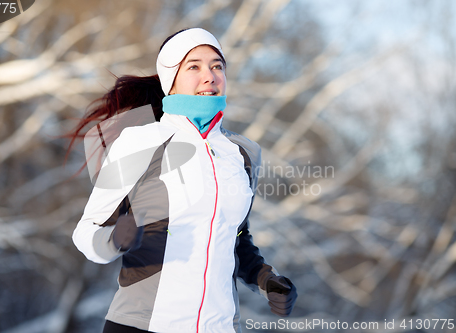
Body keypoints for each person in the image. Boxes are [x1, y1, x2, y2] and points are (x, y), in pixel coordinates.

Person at [69, 28, 297, 333]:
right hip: (143, 326)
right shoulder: (140, 142)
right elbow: (86, 232)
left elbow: (236, 238)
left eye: (217, 66)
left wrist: (267, 281)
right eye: (194, 66)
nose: (210, 75)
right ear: (170, 81)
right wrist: (113, 240)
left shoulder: (242, 154)